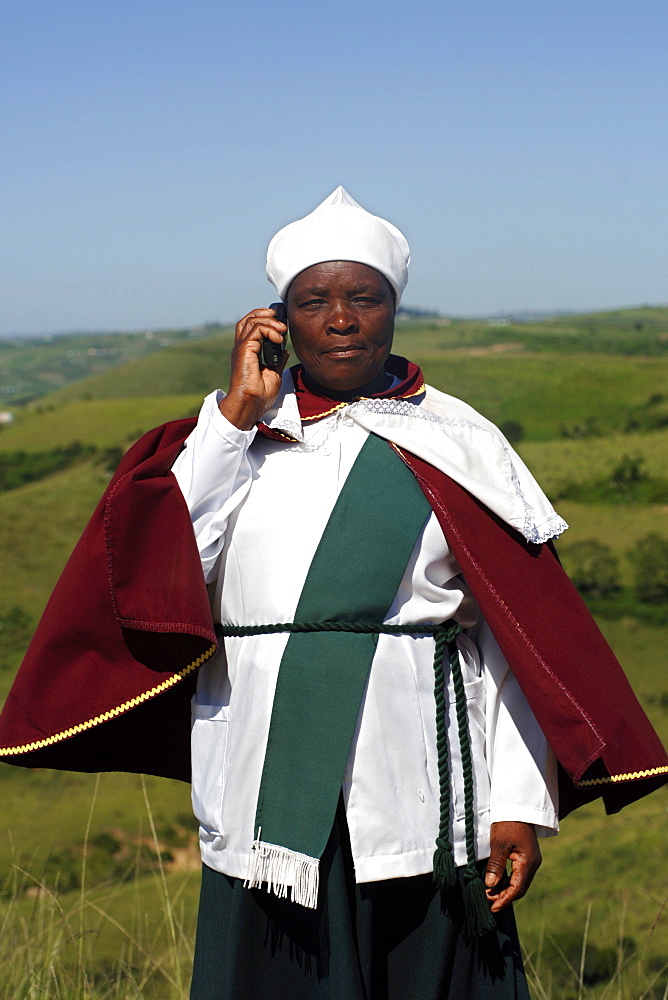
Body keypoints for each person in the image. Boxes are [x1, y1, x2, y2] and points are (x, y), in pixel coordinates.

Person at [0, 188, 666, 1000]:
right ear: (279, 317)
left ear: (395, 308)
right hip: (261, 780)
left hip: (423, 784)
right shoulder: (235, 438)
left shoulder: (462, 440)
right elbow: (163, 570)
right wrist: (233, 418)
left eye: (364, 297)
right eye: (315, 300)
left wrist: (519, 802)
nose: (342, 318)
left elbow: (510, 642)